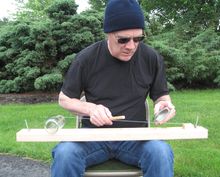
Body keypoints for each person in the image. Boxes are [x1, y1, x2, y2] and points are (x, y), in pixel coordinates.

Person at [51, 0, 176, 176]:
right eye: (123, 39)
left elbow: (162, 97)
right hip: (93, 137)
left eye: (138, 38)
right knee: (65, 154)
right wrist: (91, 108)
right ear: (108, 34)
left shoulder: (151, 58)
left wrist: (164, 105)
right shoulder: (86, 59)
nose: (131, 46)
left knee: (161, 153)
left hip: (135, 138)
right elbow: (64, 99)